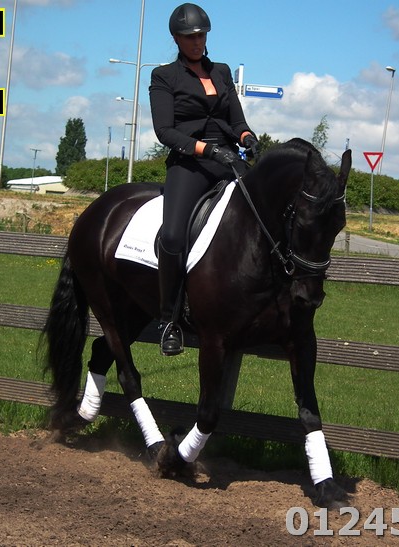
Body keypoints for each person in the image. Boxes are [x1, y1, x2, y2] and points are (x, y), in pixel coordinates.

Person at [149, 2, 259, 356]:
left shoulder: (222, 72)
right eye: (189, 37)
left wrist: (247, 138)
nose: (196, 42)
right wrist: (207, 150)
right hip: (190, 164)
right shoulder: (164, 76)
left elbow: (237, 121)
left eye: (201, 36)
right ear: (176, 39)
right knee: (172, 234)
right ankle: (169, 319)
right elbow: (165, 131)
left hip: (229, 160)